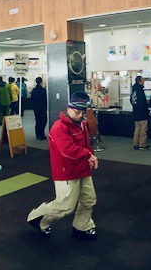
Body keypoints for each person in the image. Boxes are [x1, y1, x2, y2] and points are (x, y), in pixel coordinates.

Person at [26, 92, 98, 241]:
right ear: (68, 108)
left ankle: (82, 227)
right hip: (66, 172)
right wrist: (88, 155)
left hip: (82, 168)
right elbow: (67, 150)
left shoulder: (82, 124)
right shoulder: (59, 127)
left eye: (82, 112)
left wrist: (89, 155)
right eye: (76, 112)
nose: (79, 115)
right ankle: (37, 219)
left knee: (89, 199)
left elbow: (86, 144)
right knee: (65, 206)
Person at [131, 76, 150, 150]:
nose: (144, 82)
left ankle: (135, 144)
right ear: (140, 81)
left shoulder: (133, 89)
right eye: (143, 80)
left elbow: (131, 100)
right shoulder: (140, 90)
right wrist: (147, 108)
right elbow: (142, 102)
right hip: (142, 113)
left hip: (135, 112)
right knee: (143, 129)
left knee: (137, 128)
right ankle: (142, 144)